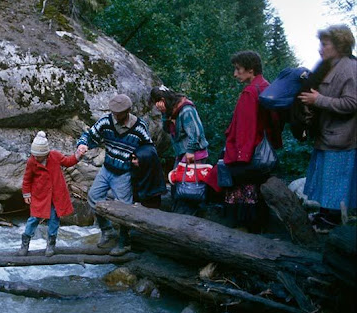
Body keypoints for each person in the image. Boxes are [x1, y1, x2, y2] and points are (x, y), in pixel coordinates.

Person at [205, 51, 282, 233]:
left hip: (249, 151)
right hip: (263, 151)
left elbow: (245, 129)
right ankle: (254, 225)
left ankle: (241, 227)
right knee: (253, 189)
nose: (235, 74)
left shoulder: (250, 92)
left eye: (238, 69)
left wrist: (239, 156)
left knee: (237, 183)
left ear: (251, 70)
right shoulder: (266, 87)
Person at [77, 94, 153, 255]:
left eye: (118, 113)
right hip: (107, 168)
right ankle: (107, 231)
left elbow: (148, 148)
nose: (115, 116)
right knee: (93, 197)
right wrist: (83, 145)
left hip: (124, 173)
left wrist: (140, 158)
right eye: (113, 113)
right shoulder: (106, 121)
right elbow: (90, 136)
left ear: (128, 111)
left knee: (124, 208)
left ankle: (124, 242)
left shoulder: (139, 126)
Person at [298, 25, 357, 233]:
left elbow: (352, 103)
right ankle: (325, 215)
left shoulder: (350, 68)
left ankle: (332, 222)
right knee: (326, 179)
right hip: (328, 134)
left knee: (336, 181)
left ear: (340, 45)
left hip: (342, 138)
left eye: (325, 44)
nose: (320, 49)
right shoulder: (329, 66)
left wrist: (318, 99)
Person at [19, 131, 82, 257]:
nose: (36, 158)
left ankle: (51, 244)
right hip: (40, 196)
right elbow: (27, 179)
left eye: (39, 156)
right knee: (34, 219)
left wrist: (78, 155)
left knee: (54, 220)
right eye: (35, 155)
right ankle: (25, 244)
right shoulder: (32, 161)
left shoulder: (54, 156)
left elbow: (68, 161)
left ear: (45, 153)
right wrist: (27, 194)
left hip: (55, 196)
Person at [150, 85, 209, 214]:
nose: (156, 106)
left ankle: (189, 218)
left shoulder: (186, 110)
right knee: (178, 186)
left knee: (191, 189)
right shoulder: (172, 111)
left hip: (193, 154)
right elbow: (167, 130)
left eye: (156, 102)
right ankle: (179, 215)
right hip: (182, 154)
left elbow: (196, 133)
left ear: (162, 99)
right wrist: (164, 114)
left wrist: (190, 151)